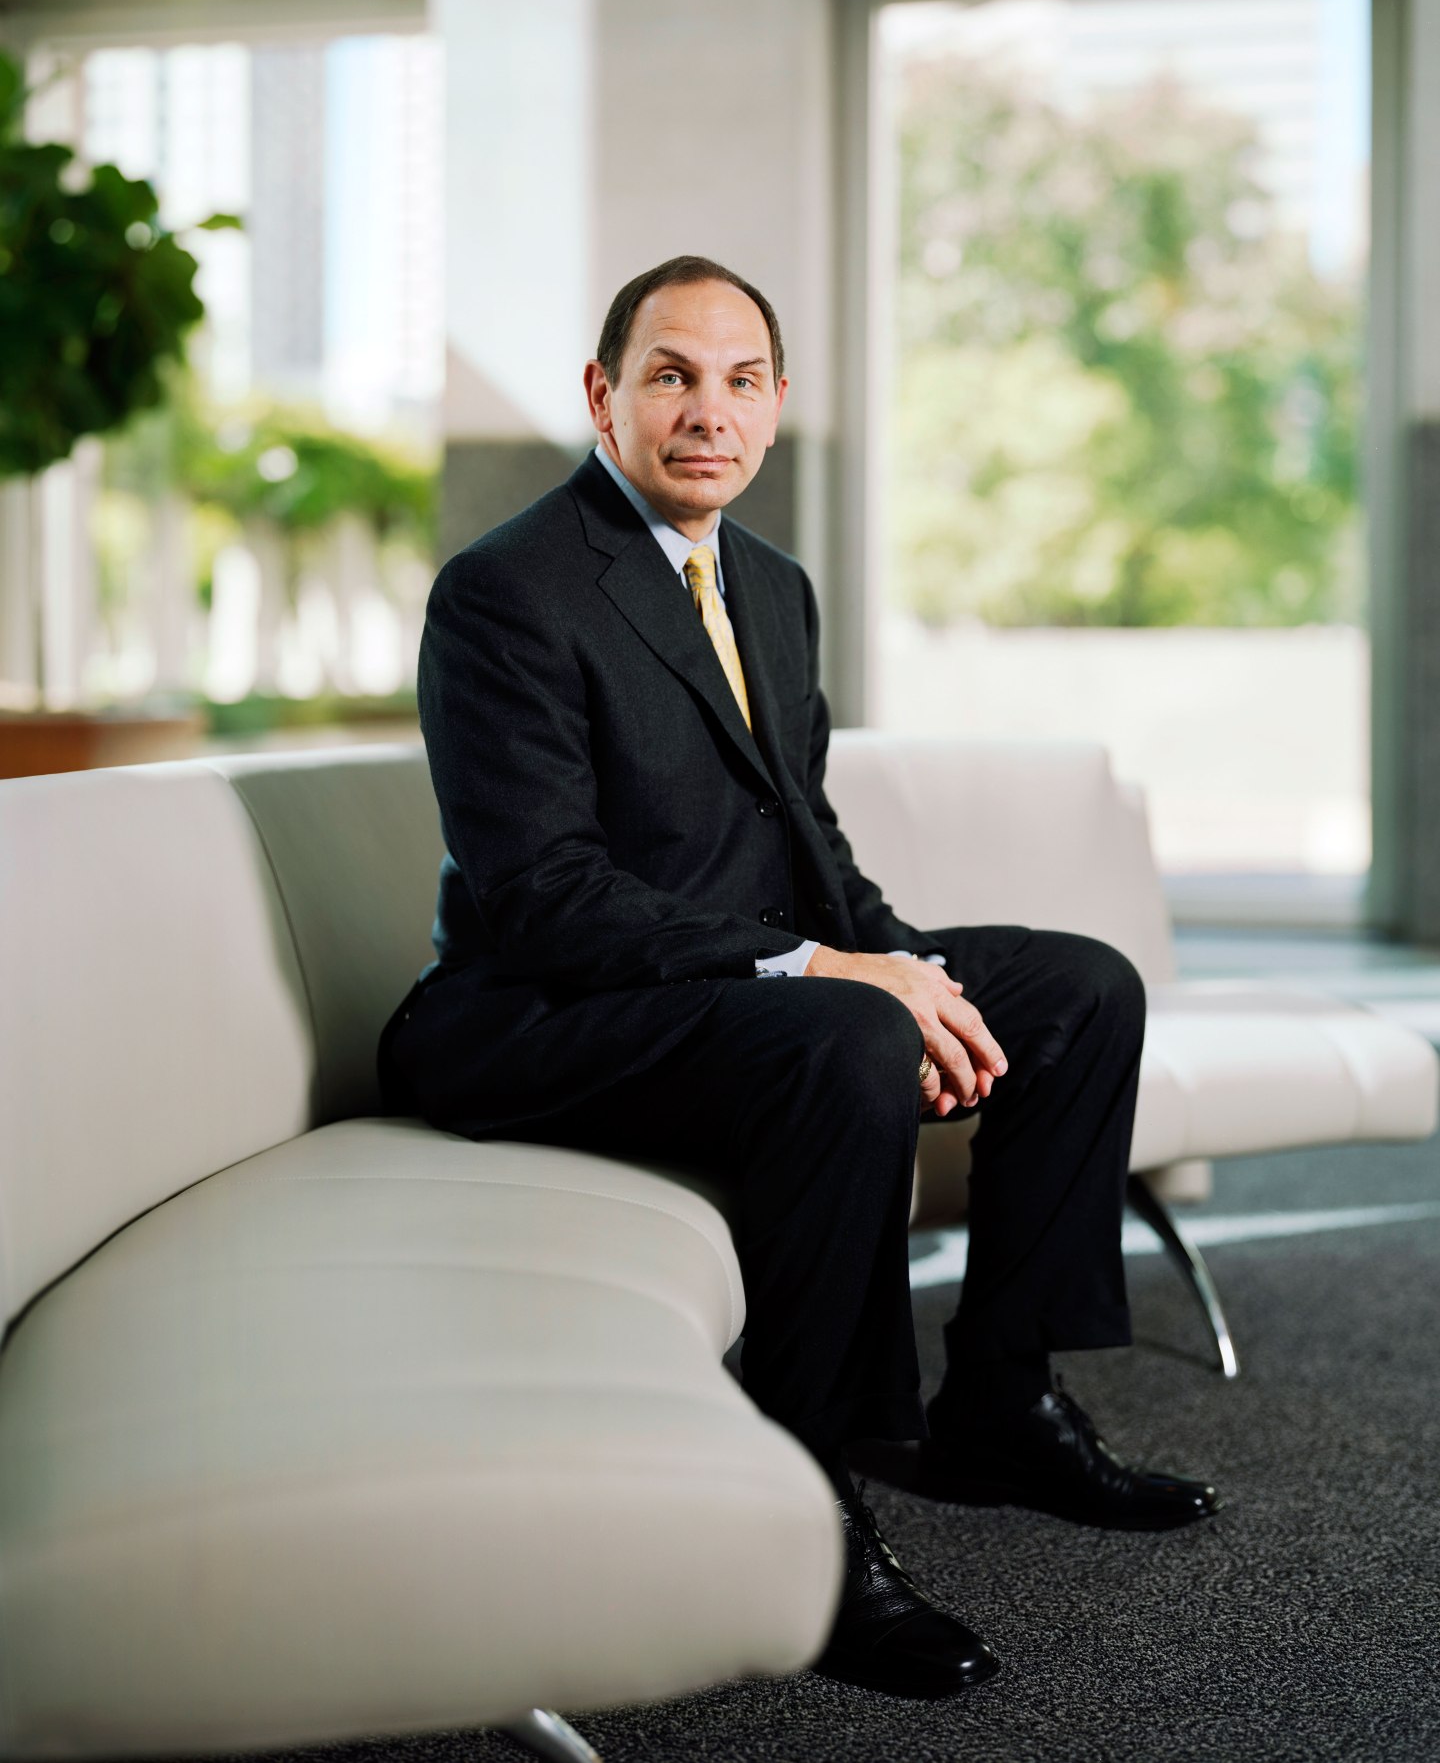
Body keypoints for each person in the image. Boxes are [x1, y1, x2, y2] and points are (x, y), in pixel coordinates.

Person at [377, 253, 1222, 1701]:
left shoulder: (770, 587)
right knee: (846, 1035)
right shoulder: (505, 591)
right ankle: (803, 1508)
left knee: (1080, 987)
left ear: (776, 404)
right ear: (603, 396)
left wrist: (905, 964)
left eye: (741, 379)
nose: (709, 410)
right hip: (547, 1014)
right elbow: (546, 897)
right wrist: (835, 974)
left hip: (754, 988)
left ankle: (1002, 1401)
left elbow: (805, 834)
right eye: (671, 375)